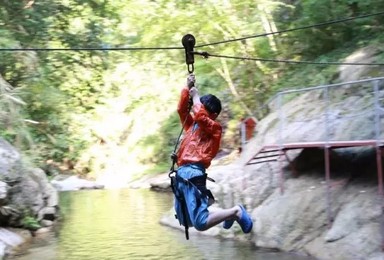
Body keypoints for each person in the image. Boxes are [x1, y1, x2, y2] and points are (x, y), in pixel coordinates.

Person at [172, 74, 253, 234]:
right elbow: (182, 110)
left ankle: (236, 212)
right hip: (182, 174)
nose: (198, 113)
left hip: (194, 174)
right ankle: (227, 215)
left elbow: (201, 117)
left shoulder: (214, 129)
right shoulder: (191, 126)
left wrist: (196, 97)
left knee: (201, 222)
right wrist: (187, 88)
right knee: (186, 219)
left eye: (203, 109)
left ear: (213, 115)